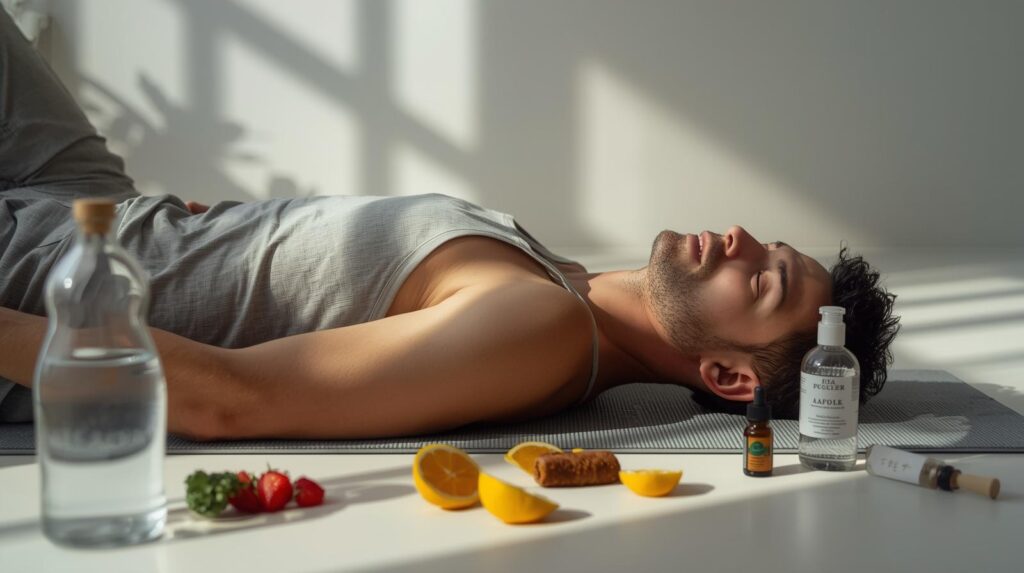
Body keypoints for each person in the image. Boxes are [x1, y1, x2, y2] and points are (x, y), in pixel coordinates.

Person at [0, 9, 899, 439]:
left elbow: (234, 398)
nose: (739, 238)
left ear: (724, 376)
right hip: (114, 208)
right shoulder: (567, 287)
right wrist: (235, 229)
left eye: (764, 278)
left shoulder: (543, 331)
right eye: (768, 246)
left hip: (45, 269)